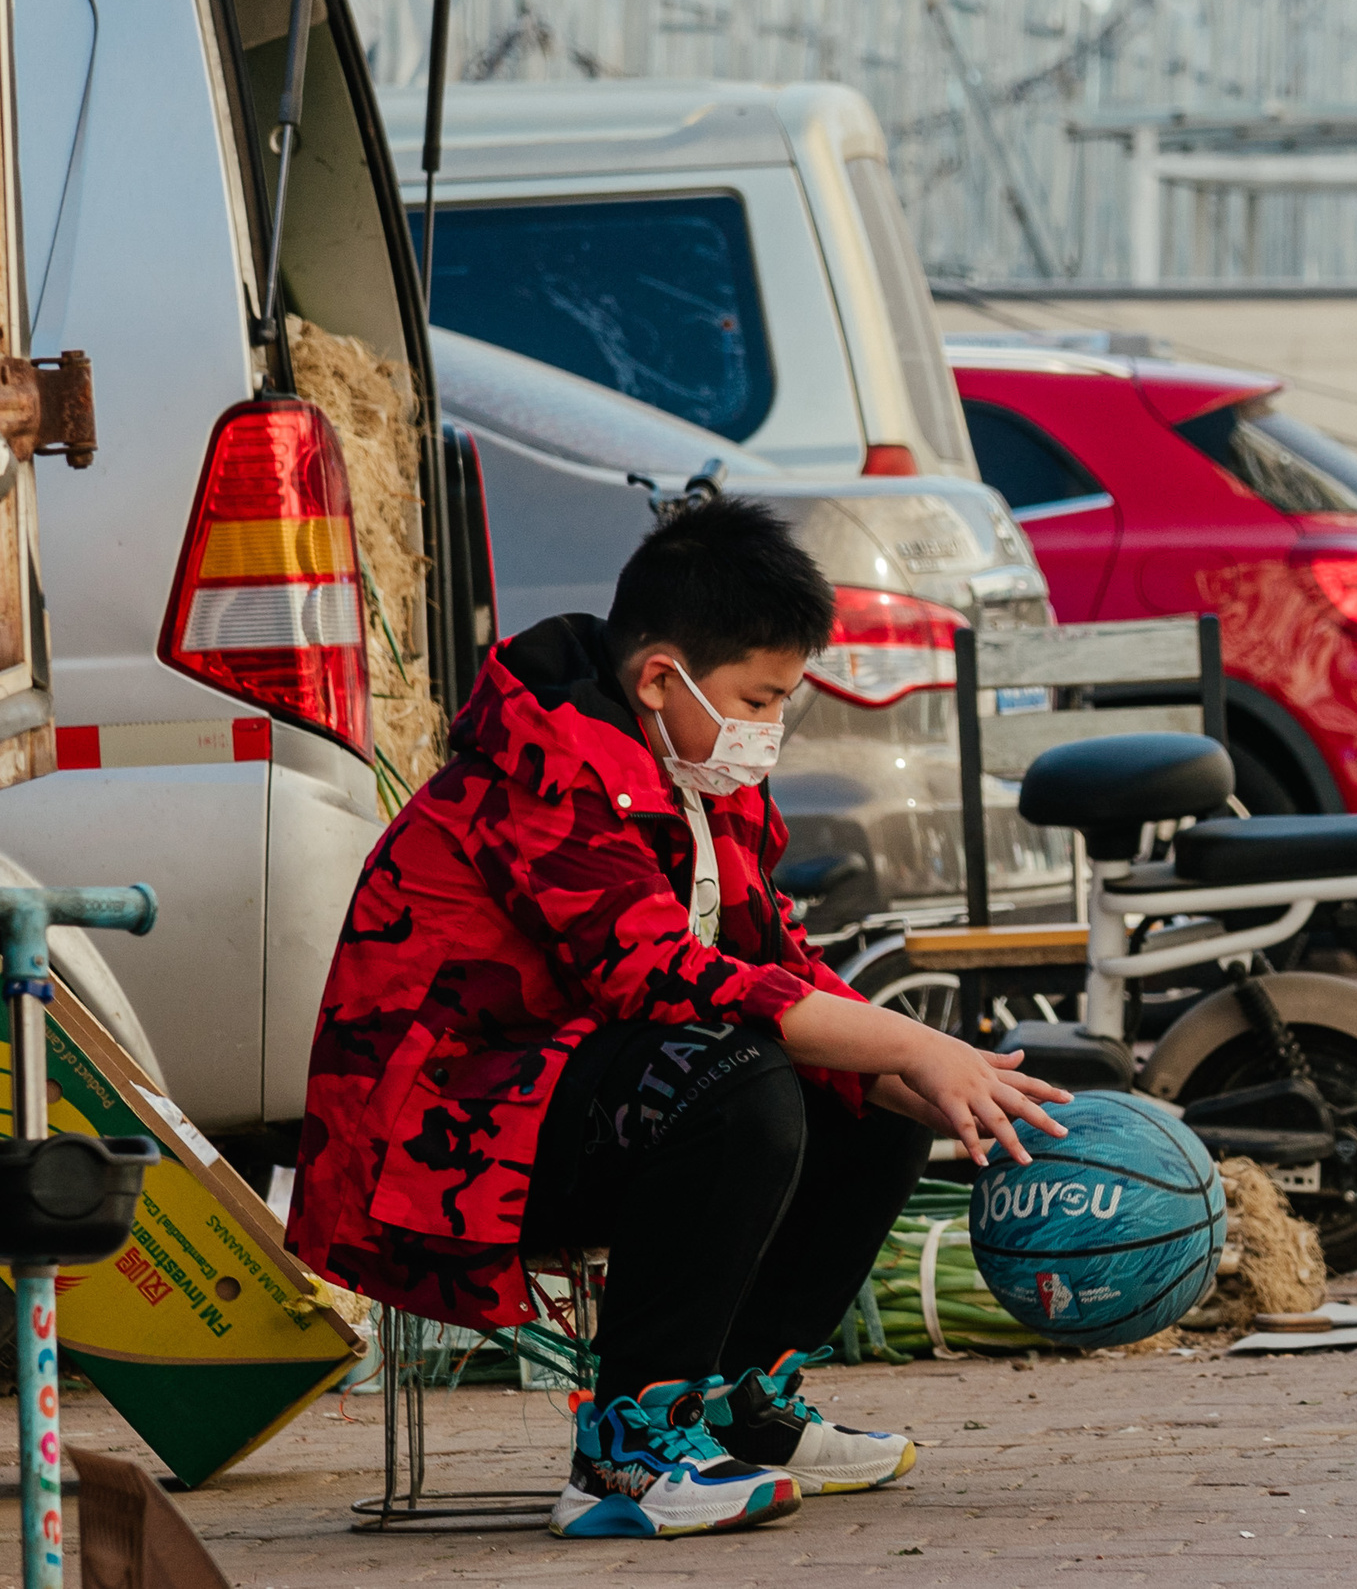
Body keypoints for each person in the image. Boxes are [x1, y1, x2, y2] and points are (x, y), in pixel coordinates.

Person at [286, 496, 1070, 1540]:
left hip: (571, 1103)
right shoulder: (545, 777)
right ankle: (627, 1450)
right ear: (661, 676)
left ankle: (743, 1407)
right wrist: (914, 1043)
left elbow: (782, 969)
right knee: (734, 1080)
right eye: (759, 697)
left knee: (881, 1097)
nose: (771, 727)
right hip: (437, 1136)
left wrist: (932, 1069)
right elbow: (657, 980)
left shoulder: (706, 789)